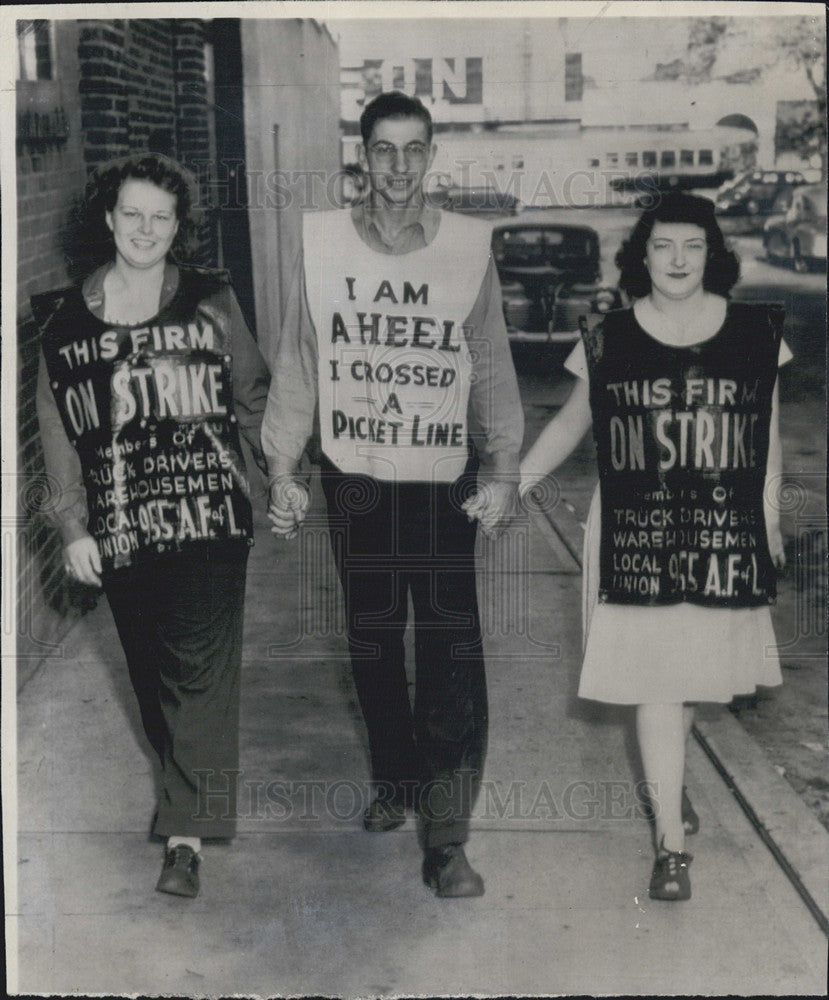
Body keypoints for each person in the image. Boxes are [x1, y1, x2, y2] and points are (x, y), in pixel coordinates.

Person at [263, 91, 524, 897]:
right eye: (384, 149)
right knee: (373, 638)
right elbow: (304, 359)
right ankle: (395, 777)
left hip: (441, 481)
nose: (400, 167)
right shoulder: (324, 243)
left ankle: (446, 840)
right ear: (362, 156)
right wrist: (282, 467)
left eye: (414, 150)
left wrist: (503, 467)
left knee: (448, 650)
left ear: (432, 154)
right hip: (357, 479)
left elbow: (489, 362)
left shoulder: (467, 250)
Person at [514, 193, 788, 901]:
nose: (675, 259)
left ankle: (668, 792)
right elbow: (572, 423)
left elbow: (767, 439)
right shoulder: (607, 335)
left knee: (690, 675)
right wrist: (513, 482)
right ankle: (669, 847)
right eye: (662, 245)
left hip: (721, 528)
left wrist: (769, 519)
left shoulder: (756, 333)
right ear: (641, 255)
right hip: (636, 533)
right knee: (658, 684)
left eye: (691, 246)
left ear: (711, 254)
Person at [33, 153, 270, 898]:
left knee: (198, 672)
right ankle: (184, 793)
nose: (144, 229)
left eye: (159, 217)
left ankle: (185, 838)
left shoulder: (211, 299)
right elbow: (57, 429)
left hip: (207, 514)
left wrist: (275, 480)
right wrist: (72, 526)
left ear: (178, 228)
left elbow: (252, 395)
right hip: (118, 524)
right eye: (131, 214)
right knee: (151, 671)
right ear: (108, 219)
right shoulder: (63, 322)